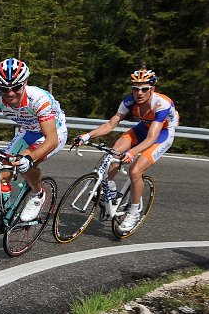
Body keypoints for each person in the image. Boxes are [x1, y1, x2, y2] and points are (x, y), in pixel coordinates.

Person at [0, 58, 67, 241]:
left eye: (15, 87)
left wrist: (29, 159)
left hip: (52, 133)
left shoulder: (38, 99)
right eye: (4, 88)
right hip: (28, 132)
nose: (10, 93)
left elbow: (52, 140)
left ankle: (39, 194)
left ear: (25, 82)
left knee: (23, 162)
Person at [74, 68, 178, 232]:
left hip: (161, 134)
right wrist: (87, 136)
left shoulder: (161, 104)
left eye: (144, 89)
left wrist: (132, 152)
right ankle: (112, 191)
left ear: (152, 89)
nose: (139, 93)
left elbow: (151, 138)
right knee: (114, 153)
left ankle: (134, 211)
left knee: (135, 171)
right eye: (135, 88)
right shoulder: (129, 101)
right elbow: (110, 125)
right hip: (144, 128)